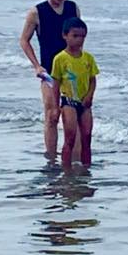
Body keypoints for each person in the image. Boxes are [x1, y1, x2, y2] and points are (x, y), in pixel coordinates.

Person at [18, 0, 77, 162]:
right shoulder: (37, 12)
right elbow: (24, 40)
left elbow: (78, 36)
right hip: (49, 72)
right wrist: (36, 65)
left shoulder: (73, 8)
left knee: (73, 115)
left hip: (71, 71)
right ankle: (51, 158)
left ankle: (73, 158)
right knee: (52, 115)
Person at [50, 17, 99, 170]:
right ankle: (66, 169)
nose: (79, 40)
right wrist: (55, 107)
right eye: (75, 36)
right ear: (65, 35)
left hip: (84, 104)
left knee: (87, 137)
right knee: (70, 138)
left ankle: (86, 168)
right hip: (69, 102)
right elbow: (56, 84)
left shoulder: (88, 58)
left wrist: (90, 95)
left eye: (83, 36)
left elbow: (93, 79)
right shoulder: (60, 58)